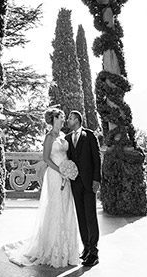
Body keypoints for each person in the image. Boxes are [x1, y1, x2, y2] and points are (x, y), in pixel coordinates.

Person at [4, 107, 83, 267]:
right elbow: (46, 158)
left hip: (65, 176)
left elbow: (67, 155)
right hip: (54, 175)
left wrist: (68, 170)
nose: (63, 120)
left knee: (67, 207)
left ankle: (67, 249)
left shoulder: (62, 136)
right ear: (53, 120)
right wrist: (60, 170)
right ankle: (52, 248)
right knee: (55, 207)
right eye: (61, 117)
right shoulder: (49, 137)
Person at [64, 109, 101, 267]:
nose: (68, 120)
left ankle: (94, 252)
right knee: (81, 215)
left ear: (77, 120)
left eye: (70, 118)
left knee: (90, 216)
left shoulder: (89, 135)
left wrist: (96, 179)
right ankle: (86, 247)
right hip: (75, 183)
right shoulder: (67, 138)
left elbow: (97, 157)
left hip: (89, 182)